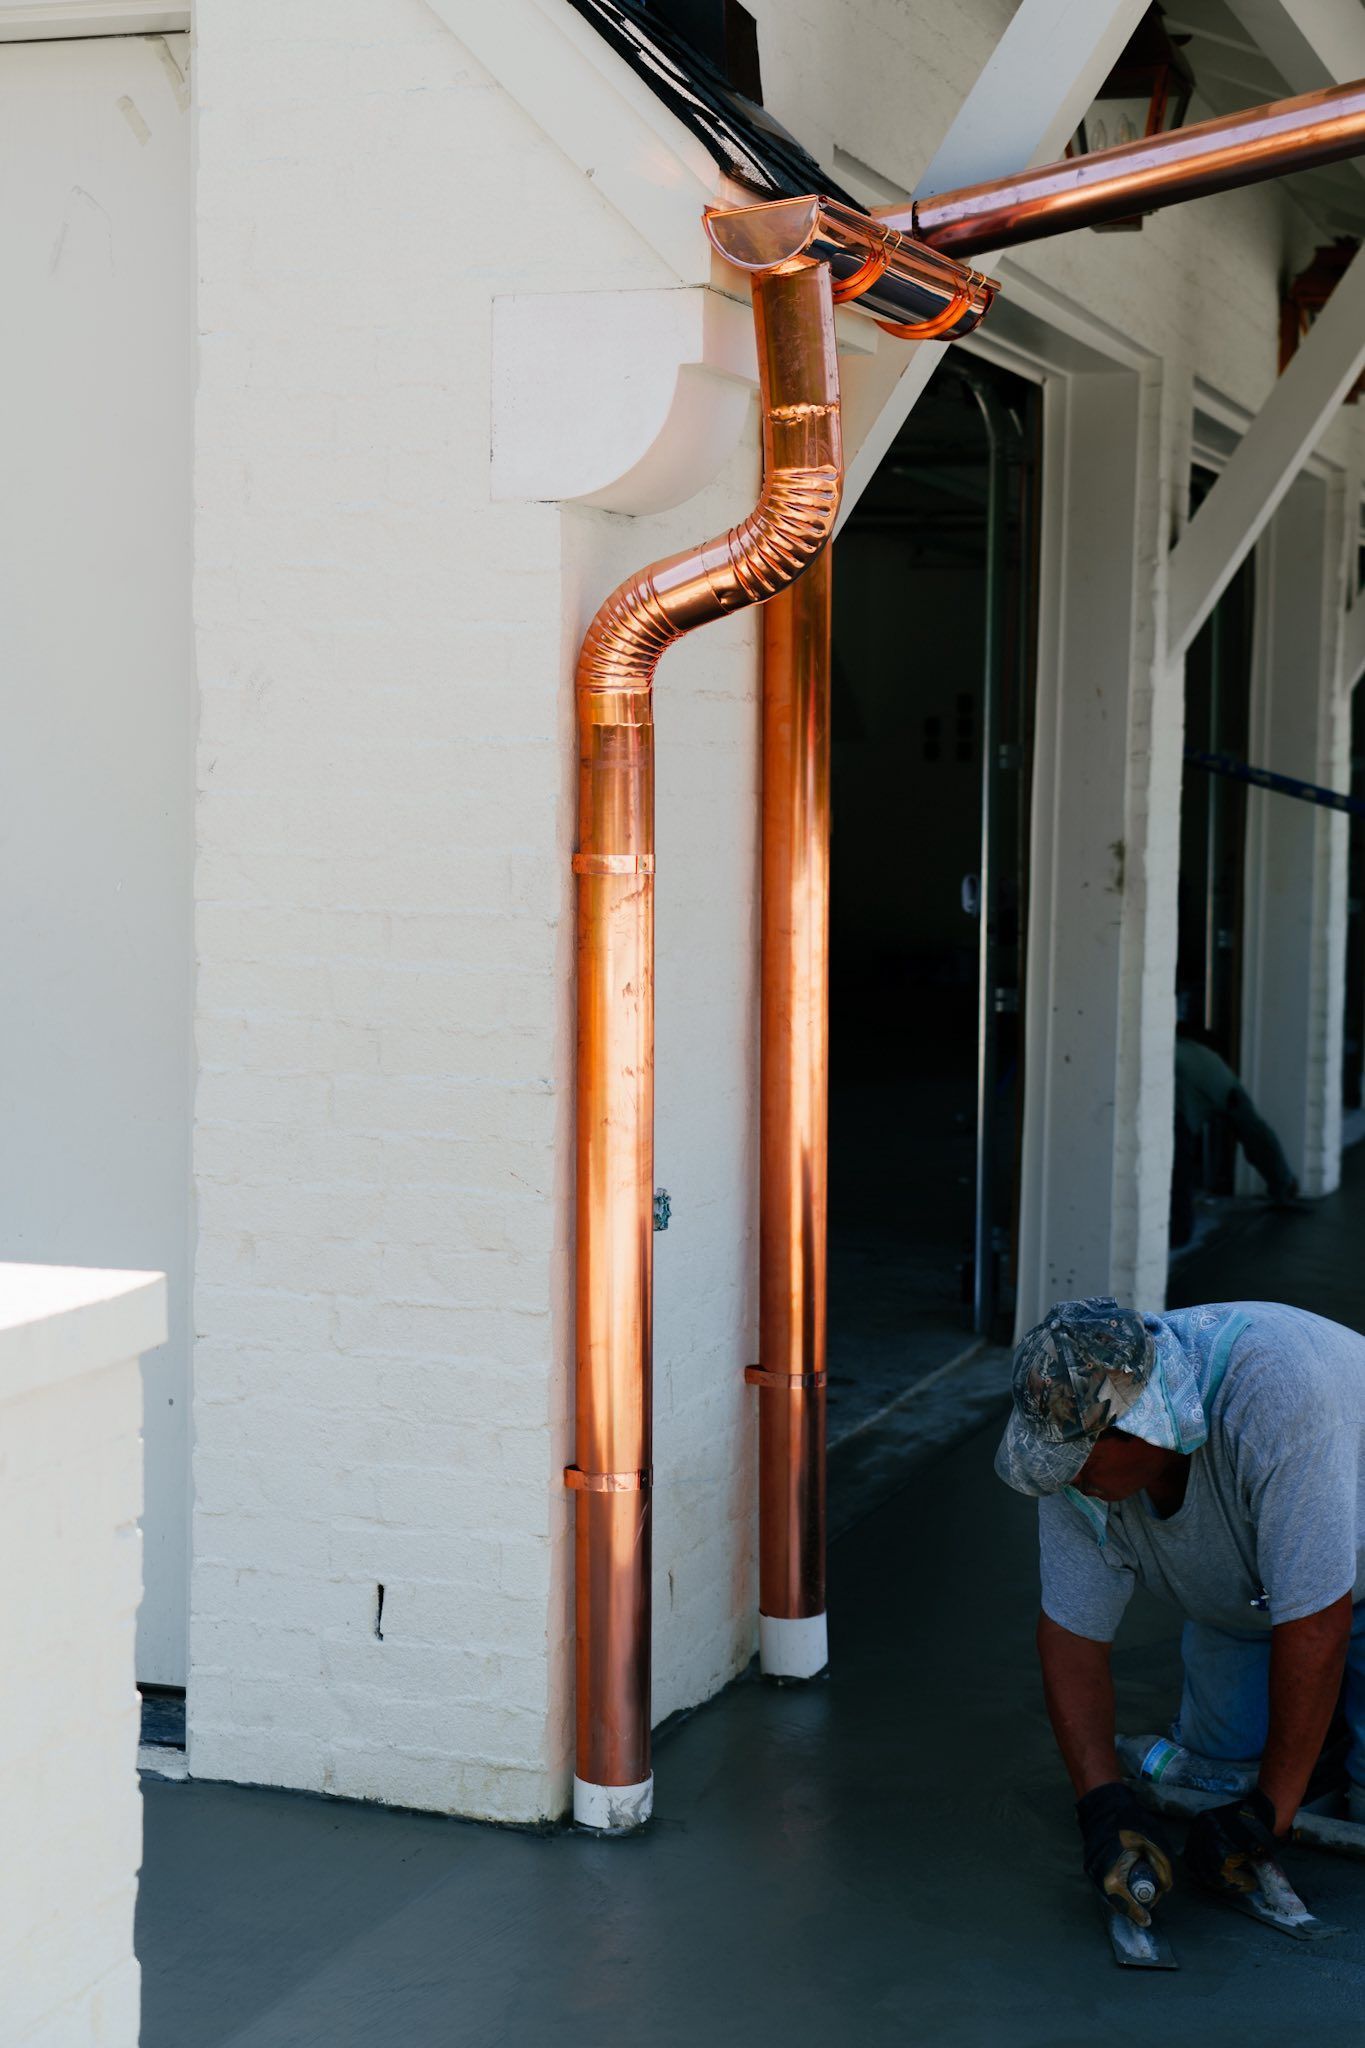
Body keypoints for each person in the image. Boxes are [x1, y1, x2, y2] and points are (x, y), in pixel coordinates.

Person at [996, 1296, 1365, 1924]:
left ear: (1146, 1423)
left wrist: (1270, 1813)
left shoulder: (1274, 1397)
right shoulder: (1073, 1447)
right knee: (1220, 1769)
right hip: (1251, 1606)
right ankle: (1324, 1730)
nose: (1067, 1477)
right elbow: (1071, 1636)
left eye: (1080, 1458)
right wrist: (1102, 1805)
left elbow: (1318, 1625)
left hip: (1331, 1592)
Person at [1171, 1032, 1297, 1247]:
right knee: (1178, 1158)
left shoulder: (1202, 1067)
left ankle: (1178, 1232)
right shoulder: (1216, 1073)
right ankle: (1178, 1233)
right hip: (1184, 1091)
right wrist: (1283, 1184)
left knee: (1178, 1156)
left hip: (1181, 1091)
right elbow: (1257, 1136)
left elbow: (1257, 1137)